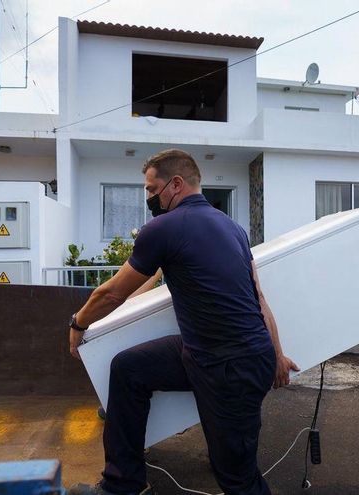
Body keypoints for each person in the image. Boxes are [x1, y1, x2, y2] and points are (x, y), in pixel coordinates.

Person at [67, 149, 298, 495]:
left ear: (175, 184)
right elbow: (259, 299)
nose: (148, 198)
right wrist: (276, 353)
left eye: (150, 189)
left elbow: (112, 293)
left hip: (232, 366)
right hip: (203, 352)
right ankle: (123, 484)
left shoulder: (163, 227)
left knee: (236, 477)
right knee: (129, 369)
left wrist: (77, 323)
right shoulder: (233, 228)